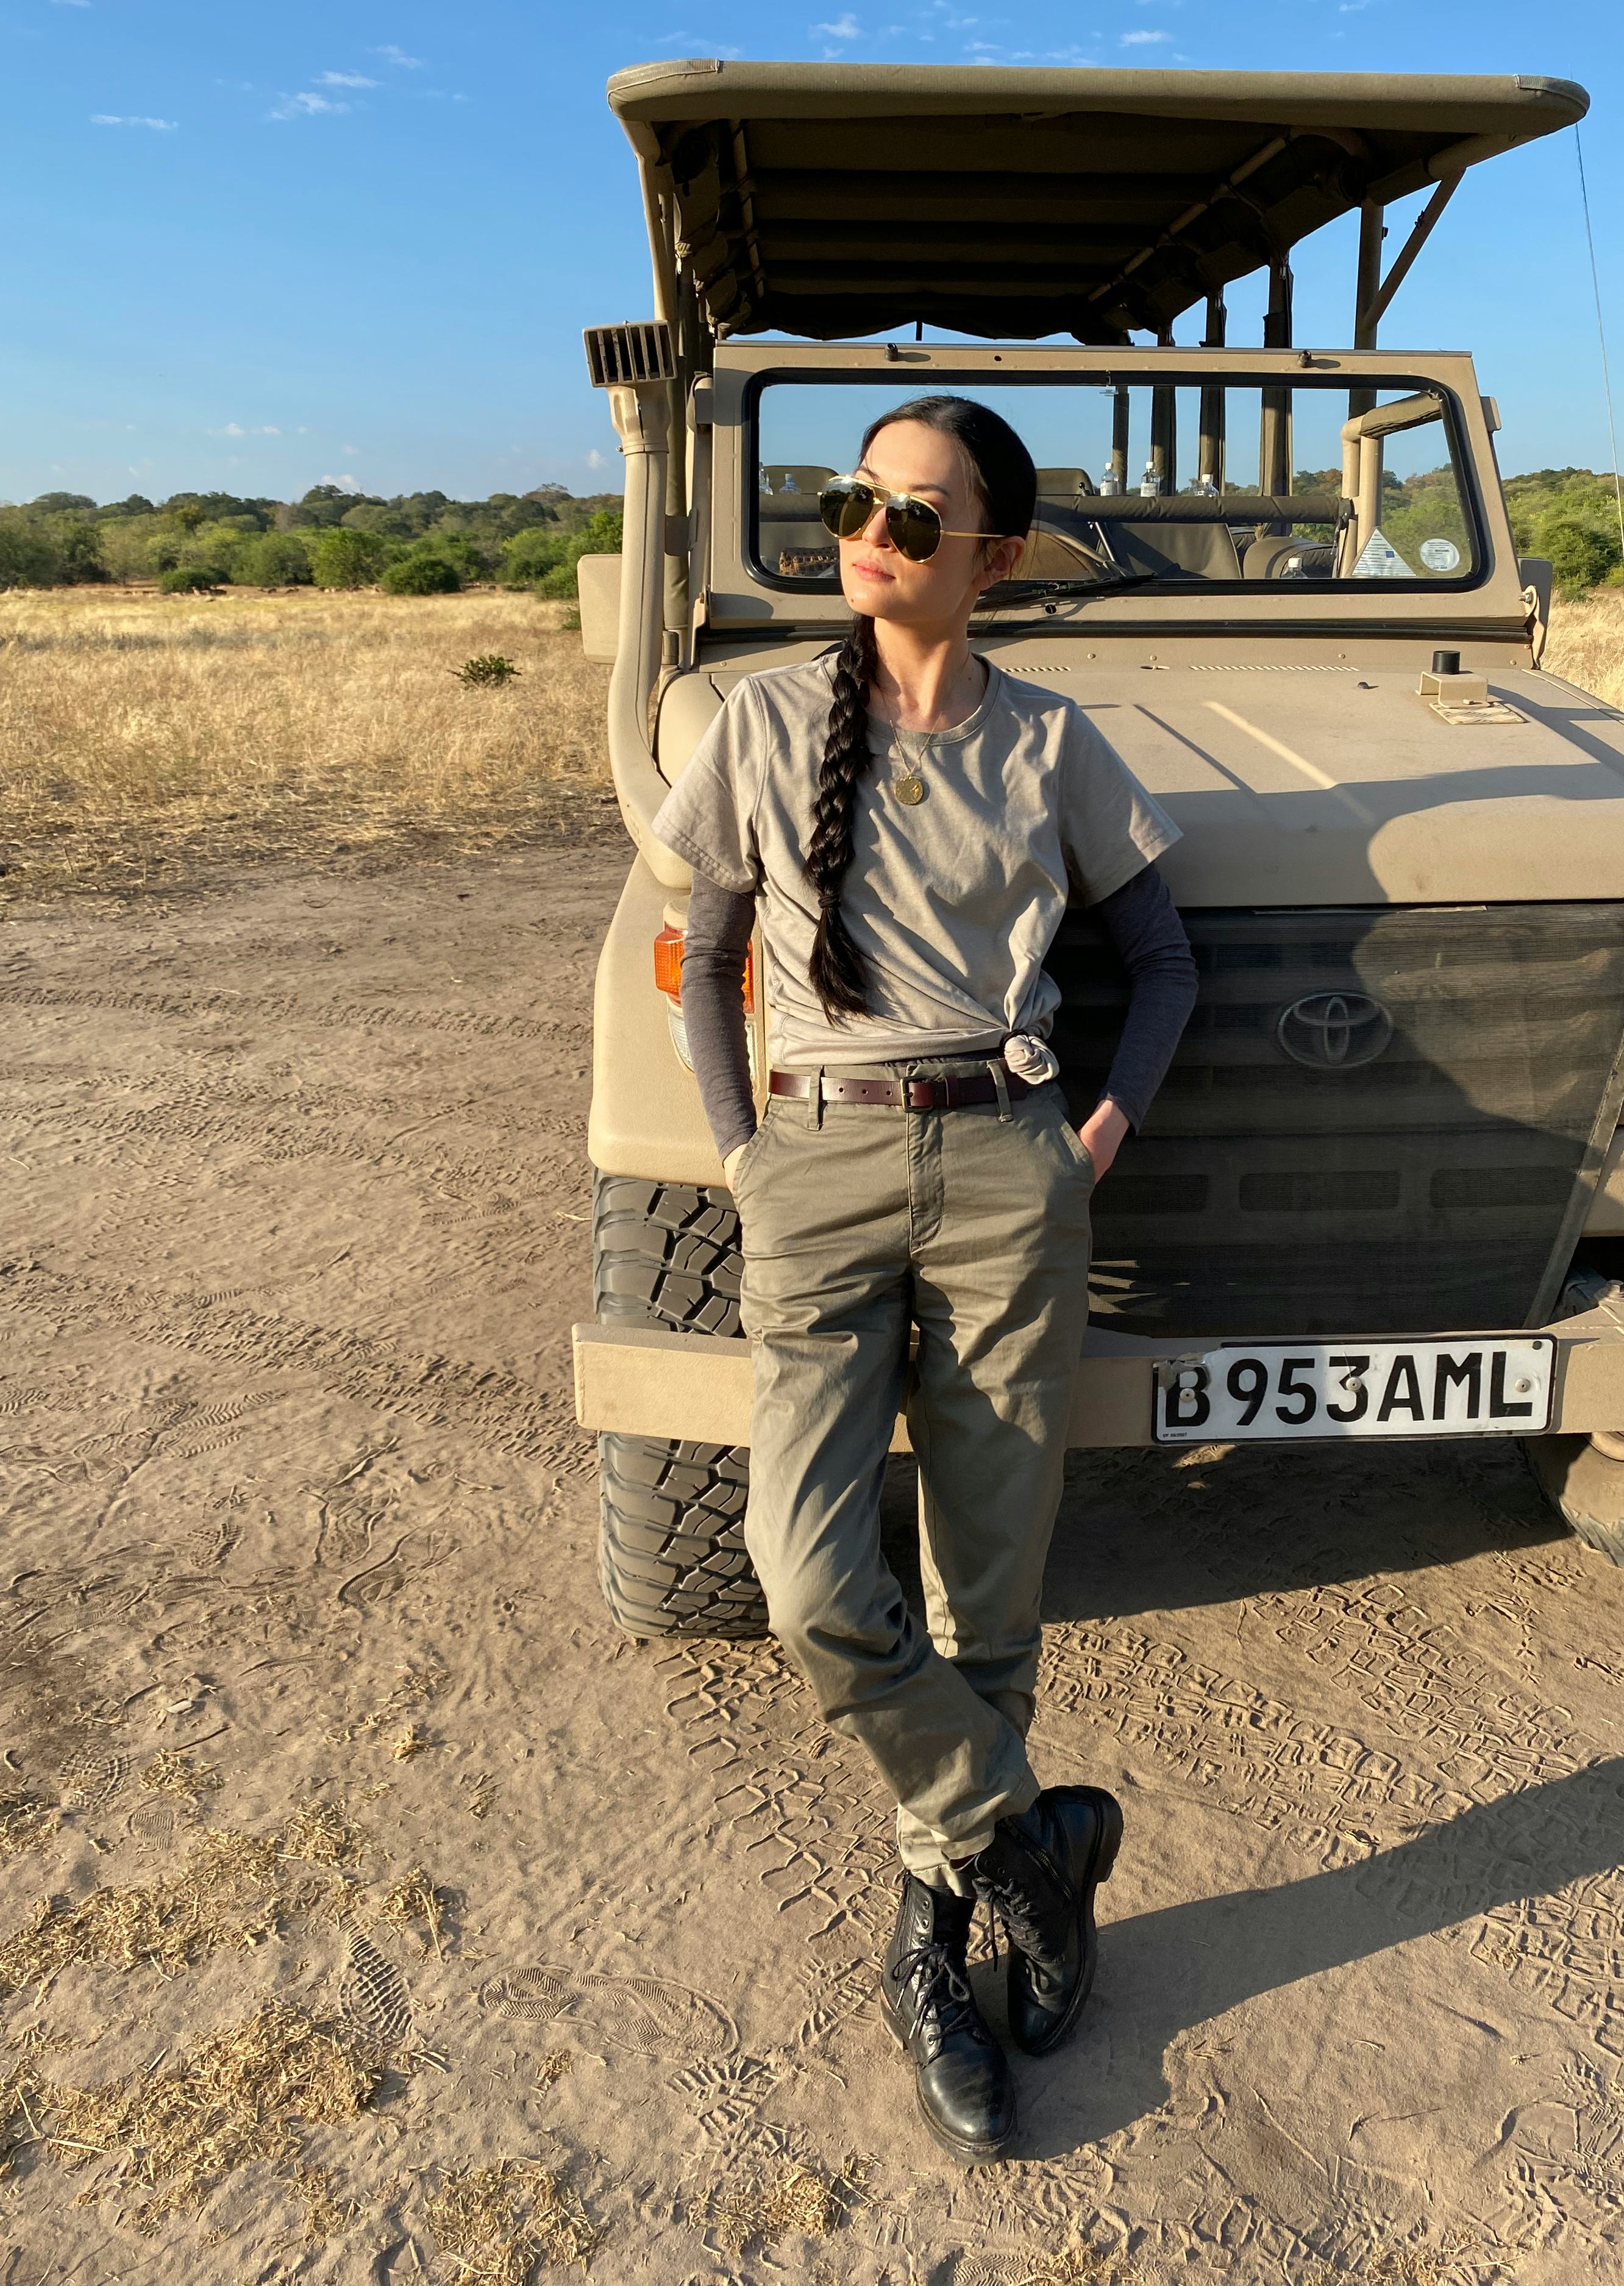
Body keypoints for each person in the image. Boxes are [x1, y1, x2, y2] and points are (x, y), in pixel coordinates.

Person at [654, 395, 1197, 2162]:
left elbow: (1163, 963)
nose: (875, 530)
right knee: (807, 1574)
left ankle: (936, 1943)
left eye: (918, 511)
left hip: (1006, 1173)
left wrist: (1092, 1142)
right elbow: (706, 951)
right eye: (858, 501)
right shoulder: (756, 718)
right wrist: (746, 1152)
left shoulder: (1052, 744)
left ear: (997, 555)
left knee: (988, 1584)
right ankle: (1030, 1842)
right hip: (816, 1164)